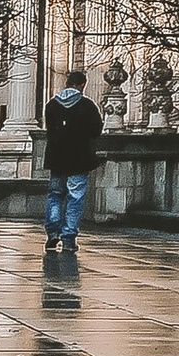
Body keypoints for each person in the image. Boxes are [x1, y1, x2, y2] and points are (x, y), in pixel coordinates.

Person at [42, 69, 104, 260]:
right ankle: (68, 238)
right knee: (75, 198)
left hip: (56, 159)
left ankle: (52, 232)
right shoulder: (87, 106)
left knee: (55, 195)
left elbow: (49, 129)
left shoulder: (51, 105)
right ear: (81, 85)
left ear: (67, 83)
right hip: (78, 158)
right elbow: (96, 130)